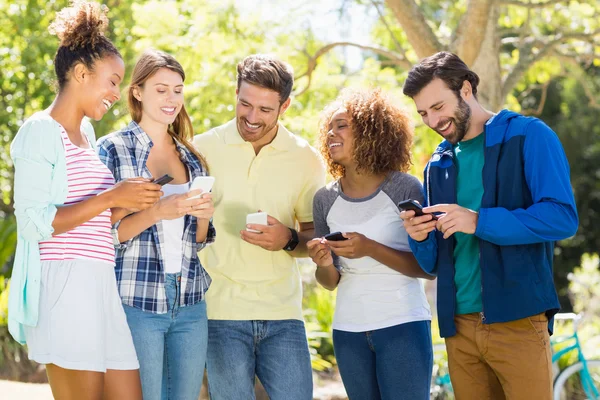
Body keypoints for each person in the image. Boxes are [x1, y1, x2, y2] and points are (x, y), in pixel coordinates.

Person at [400, 51, 579, 399]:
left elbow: (562, 217)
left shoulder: (528, 136)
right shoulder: (438, 163)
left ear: (466, 89)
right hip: (459, 330)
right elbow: (435, 263)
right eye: (423, 113)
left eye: (438, 107)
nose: (433, 120)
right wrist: (420, 236)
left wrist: (479, 221)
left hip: (518, 321)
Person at [9, 2, 164, 399]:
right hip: (65, 285)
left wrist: (125, 204)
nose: (117, 92)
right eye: (112, 81)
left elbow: (89, 219)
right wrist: (111, 196)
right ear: (80, 73)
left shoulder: (87, 138)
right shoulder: (40, 131)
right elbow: (33, 222)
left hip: (99, 283)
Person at [193, 54, 325, 400]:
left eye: (265, 110)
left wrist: (288, 238)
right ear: (235, 93)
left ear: (285, 106)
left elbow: (313, 238)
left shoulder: (305, 158)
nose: (251, 118)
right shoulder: (202, 149)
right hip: (220, 311)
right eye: (244, 104)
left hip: (282, 313)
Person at [96, 50, 215, 400]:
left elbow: (200, 240)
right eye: (161, 89)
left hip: (191, 300)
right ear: (137, 92)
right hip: (136, 299)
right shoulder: (112, 150)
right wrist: (156, 212)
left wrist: (204, 216)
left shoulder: (191, 157)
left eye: (178, 90)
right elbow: (103, 234)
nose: (172, 99)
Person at [307, 89, 433, 400]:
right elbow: (329, 282)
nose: (331, 134)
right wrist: (323, 262)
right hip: (348, 330)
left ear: (372, 131)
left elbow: (427, 268)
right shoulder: (325, 199)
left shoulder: (404, 186)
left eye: (342, 126)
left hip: (402, 325)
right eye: (330, 127)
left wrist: (370, 248)